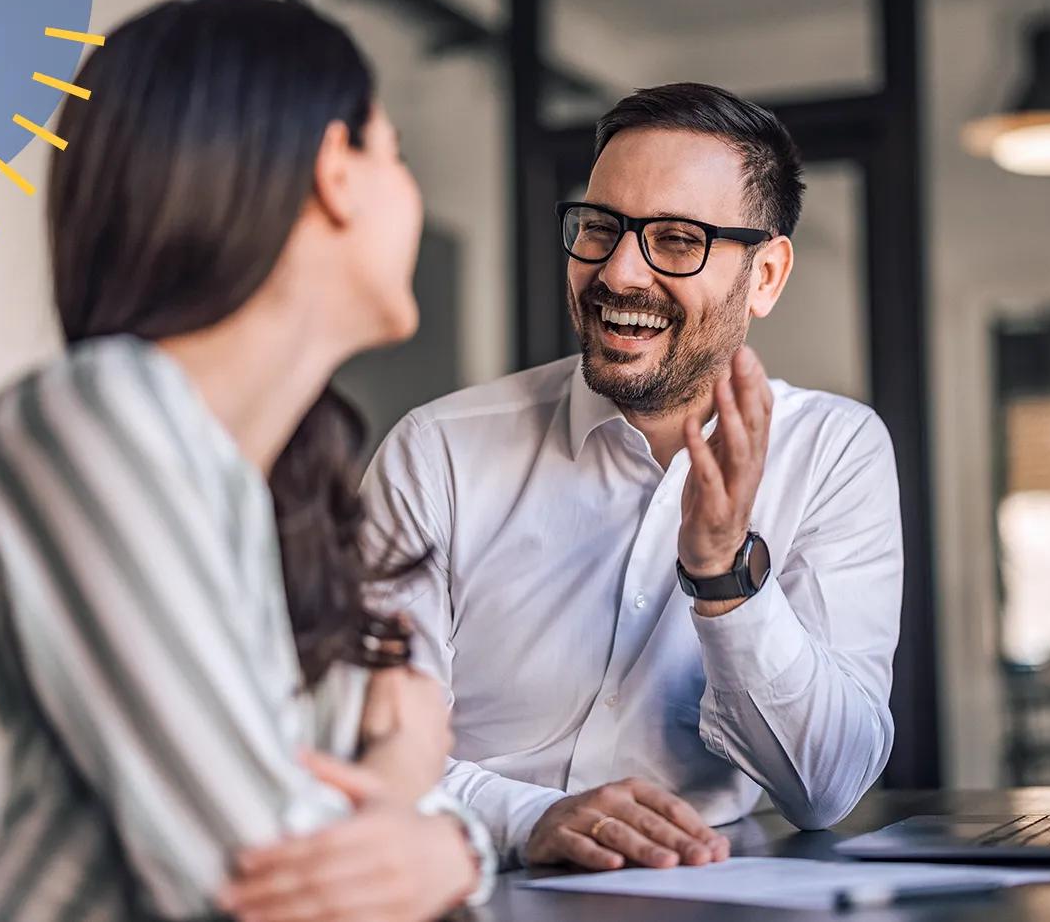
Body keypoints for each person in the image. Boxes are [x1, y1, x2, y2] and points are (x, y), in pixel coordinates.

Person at [0, 0, 492, 920]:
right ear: (335, 172)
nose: (412, 192)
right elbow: (271, 879)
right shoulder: (92, 421)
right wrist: (424, 803)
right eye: (392, 153)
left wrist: (442, 836)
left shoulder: (262, 495)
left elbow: (364, 843)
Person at [361, 82, 904, 870]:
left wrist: (725, 578)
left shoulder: (834, 452)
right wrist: (529, 820)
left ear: (767, 277)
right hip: (466, 890)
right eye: (600, 227)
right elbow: (365, 745)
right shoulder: (436, 453)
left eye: (678, 239)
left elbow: (826, 787)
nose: (618, 272)